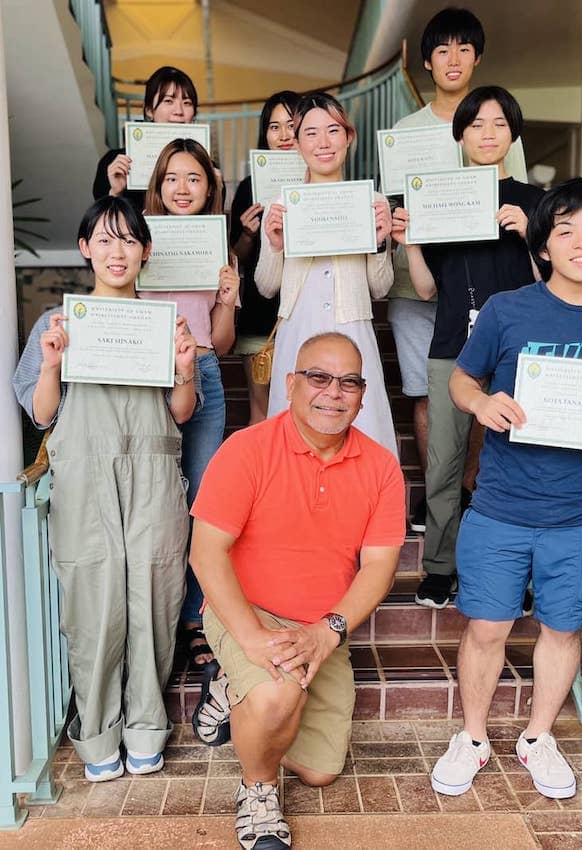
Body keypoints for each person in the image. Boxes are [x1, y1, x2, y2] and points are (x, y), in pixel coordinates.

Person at [431, 178, 582, 801]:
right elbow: (460, 380)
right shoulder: (509, 311)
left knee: (563, 630)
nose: (580, 241)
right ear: (542, 246)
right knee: (486, 628)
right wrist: (481, 403)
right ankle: (474, 737)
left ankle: (538, 736)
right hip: (501, 508)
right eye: (563, 229)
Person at [190, 332, 405, 850]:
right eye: (319, 377)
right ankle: (258, 791)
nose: (334, 392)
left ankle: (230, 689)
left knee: (319, 772)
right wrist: (254, 639)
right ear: (290, 384)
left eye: (349, 382)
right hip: (249, 609)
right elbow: (205, 553)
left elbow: (378, 566)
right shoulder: (247, 450)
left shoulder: (380, 467)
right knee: (276, 695)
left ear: (363, 394)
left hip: (321, 625)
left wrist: (328, 633)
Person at [12, 196, 200, 781]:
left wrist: (186, 365)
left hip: (153, 471)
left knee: (154, 592)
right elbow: (43, 416)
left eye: (129, 240)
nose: (117, 251)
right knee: (93, 602)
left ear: (145, 252)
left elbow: (182, 412)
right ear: (86, 247)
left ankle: (146, 726)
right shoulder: (59, 325)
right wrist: (50, 363)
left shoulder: (164, 323)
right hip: (84, 474)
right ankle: (97, 735)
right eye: (105, 239)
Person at [392, 86, 543, 609]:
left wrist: (531, 236)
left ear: (512, 133)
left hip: (519, 351)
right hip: (452, 342)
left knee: (514, 461)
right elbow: (429, 289)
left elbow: (551, 284)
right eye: (476, 124)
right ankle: (438, 568)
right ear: (459, 135)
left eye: (499, 124)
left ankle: (517, 571)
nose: (487, 134)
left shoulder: (534, 201)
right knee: (444, 462)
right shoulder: (439, 194)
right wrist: (410, 241)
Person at [387, 7, 527, 532]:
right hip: (418, 282)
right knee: (428, 390)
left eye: (463, 49)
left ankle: (473, 490)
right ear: (426, 61)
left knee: (484, 391)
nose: (453, 58)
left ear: (477, 58)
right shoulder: (406, 131)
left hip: (487, 286)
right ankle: (440, 493)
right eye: (442, 49)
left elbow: (519, 203)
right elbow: (399, 201)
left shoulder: (499, 124)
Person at [255, 92, 398, 458]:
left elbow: (381, 288)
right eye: (311, 133)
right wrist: (274, 244)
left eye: (333, 130)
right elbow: (266, 286)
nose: (323, 143)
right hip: (297, 328)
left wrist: (380, 245)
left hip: (352, 328)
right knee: (293, 440)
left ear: (349, 137)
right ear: (298, 143)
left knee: (362, 435)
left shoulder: (373, 201)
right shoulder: (281, 204)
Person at [142, 137, 239, 672]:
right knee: (157, 503)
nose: (183, 188)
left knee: (203, 501)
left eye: (195, 179)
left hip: (202, 371)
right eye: (173, 178)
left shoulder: (218, 251)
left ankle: (196, 619)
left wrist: (225, 299)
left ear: (209, 187)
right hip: (147, 380)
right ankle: (155, 618)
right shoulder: (138, 242)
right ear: (158, 186)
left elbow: (222, 343)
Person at [230, 90, 301, 424]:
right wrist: (246, 233)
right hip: (261, 314)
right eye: (275, 127)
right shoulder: (248, 187)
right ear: (265, 134)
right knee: (261, 412)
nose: (285, 135)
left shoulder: (323, 183)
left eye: (292, 124)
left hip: (306, 310)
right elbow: (237, 257)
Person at [93, 66, 200, 211]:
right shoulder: (115, 164)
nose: (179, 111)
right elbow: (100, 225)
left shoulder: (205, 166)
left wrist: (215, 188)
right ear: (149, 110)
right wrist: (115, 193)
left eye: (187, 103)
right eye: (168, 101)